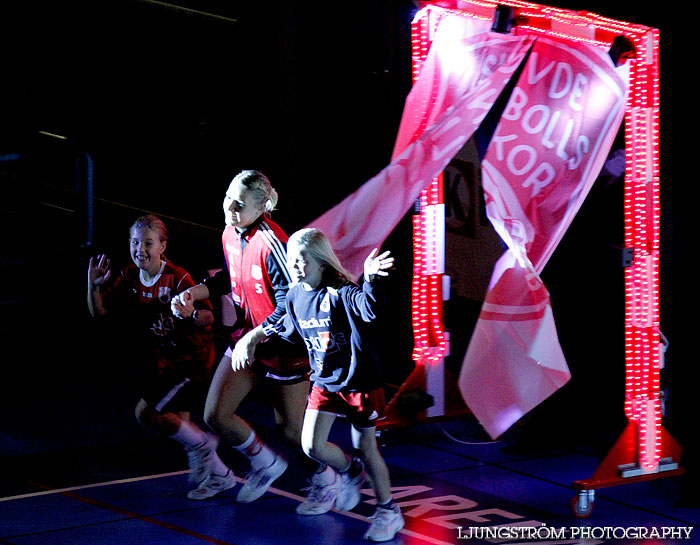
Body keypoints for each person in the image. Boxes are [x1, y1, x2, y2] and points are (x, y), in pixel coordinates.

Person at [233, 227, 404, 542]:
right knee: (310, 445)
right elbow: (287, 328)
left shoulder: (340, 290)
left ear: (322, 263)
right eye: (292, 261)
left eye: (302, 262)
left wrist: (370, 279)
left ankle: (388, 510)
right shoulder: (297, 294)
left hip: (359, 382)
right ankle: (351, 472)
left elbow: (368, 310)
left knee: (366, 447)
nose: (296, 268)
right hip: (325, 382)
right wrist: (253, 340)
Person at [171, 170, 309, 502]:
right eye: (228, 198)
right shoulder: (229, 234)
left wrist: (255, 336)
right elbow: (225, 282)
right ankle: (264, 463)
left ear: (261, 207)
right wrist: (193, 293)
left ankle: (334, 475)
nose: (231, 207)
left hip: (283, 347)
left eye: (240, 203)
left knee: (292, 433)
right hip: (249, 342)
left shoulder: (274, 243)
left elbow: (290, 305)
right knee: (215, 414)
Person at [87, 214, 230, 498]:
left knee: (146, 413)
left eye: (148, 243)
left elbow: (209, 317)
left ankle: (205, 448)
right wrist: (93, 287)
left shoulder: (177, 278)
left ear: (162, 246)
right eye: (135, 242)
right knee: (180, 419)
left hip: (191, 358)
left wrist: (190, 314)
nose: (140, 249)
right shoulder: (129, 276)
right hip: (164, 358)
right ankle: (216, 475)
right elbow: (100, 313)